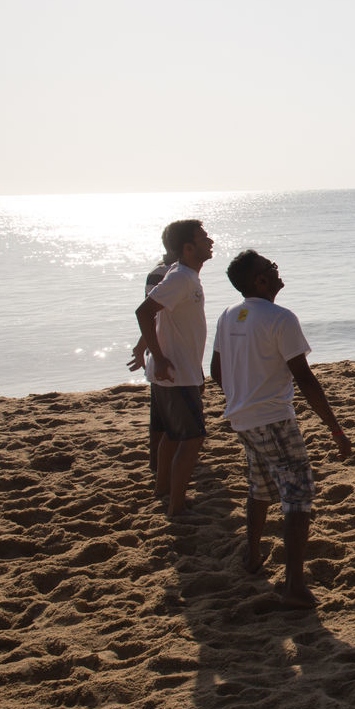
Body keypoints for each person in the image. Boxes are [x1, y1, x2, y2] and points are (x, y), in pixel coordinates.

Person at [210, 251, 353, 609]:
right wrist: (335, 428)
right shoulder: (280, 318)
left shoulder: (229, 315)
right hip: (272, 418)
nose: (276, 271)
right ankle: (293, 585)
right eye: (270, 268)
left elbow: (216, 370)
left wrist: (242, 391)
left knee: (260, 487)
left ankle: (253, 556)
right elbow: (304, 378)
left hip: (241, 417)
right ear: (259, 281)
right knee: (298, 495)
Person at [133, 219, 214, 516]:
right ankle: (176, 507)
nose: (210, 241)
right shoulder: (180, 277)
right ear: (188, 247)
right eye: (203, 237)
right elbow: (144, 313)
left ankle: (163, 489)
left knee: (170, 433)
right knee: (192, 438)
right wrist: (159, 357)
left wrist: (195, 371)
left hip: (181, 371)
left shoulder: (187, 276)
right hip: (174, 373)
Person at [127, 226, 177, 474]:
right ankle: (160, 465)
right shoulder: (164, 274)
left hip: (163, 351)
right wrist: (146, 350)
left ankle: (158, 465)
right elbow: (150, 315)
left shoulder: (172, 272)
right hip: (166, 353)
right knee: (168, 417)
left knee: (160, 413)